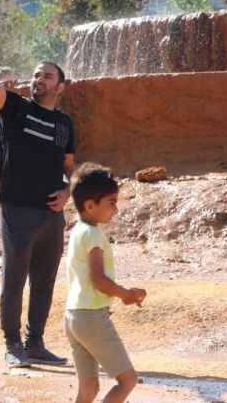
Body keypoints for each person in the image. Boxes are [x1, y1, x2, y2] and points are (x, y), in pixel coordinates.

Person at [0, 28, 75, 368]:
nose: (38, 79)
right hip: (16, 208)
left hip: (51, 212)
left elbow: (68, 165)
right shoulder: (16, 109)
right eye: (35, 74)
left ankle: (35, 343)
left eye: (47, 75)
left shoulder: (65, 123)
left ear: (60, 86)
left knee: (44, 280)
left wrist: (67, 190)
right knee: (14, 278)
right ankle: (12, 345)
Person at [64, 163, 145, 403]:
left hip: (73, 316)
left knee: (88, 389)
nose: (116, 209)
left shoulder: (79, 230)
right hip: (91, 317)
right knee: (128, 380)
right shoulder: (93, 235)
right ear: (90, 205)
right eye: (111, 202)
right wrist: (126, 294)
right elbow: (98, 280)